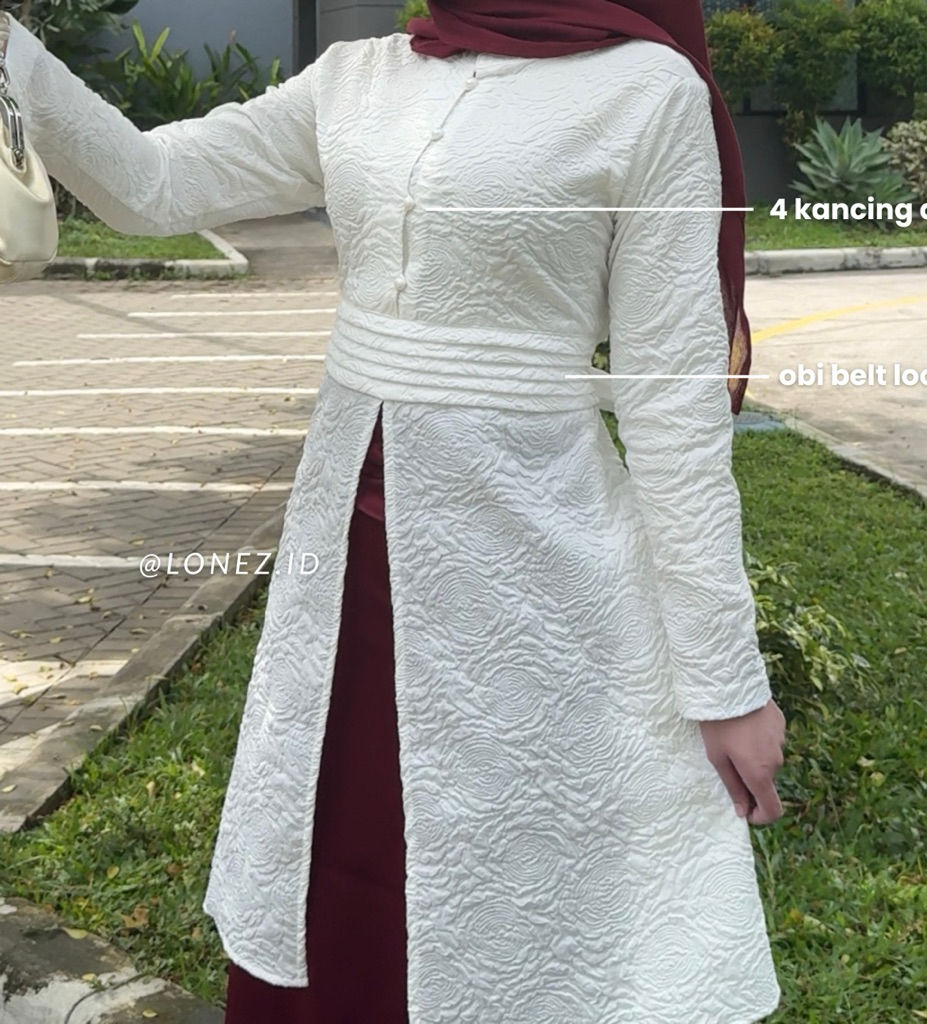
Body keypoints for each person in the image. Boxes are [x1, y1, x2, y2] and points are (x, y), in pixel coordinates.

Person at [2, 0, 788, 1020]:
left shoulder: (648, 93)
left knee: (520, 886)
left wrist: (725, 683)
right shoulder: (361, 76)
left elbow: (672, 408)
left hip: (535, 571)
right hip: (346, 565)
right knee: (332, 851)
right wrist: (14, 52)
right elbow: (154, 184)